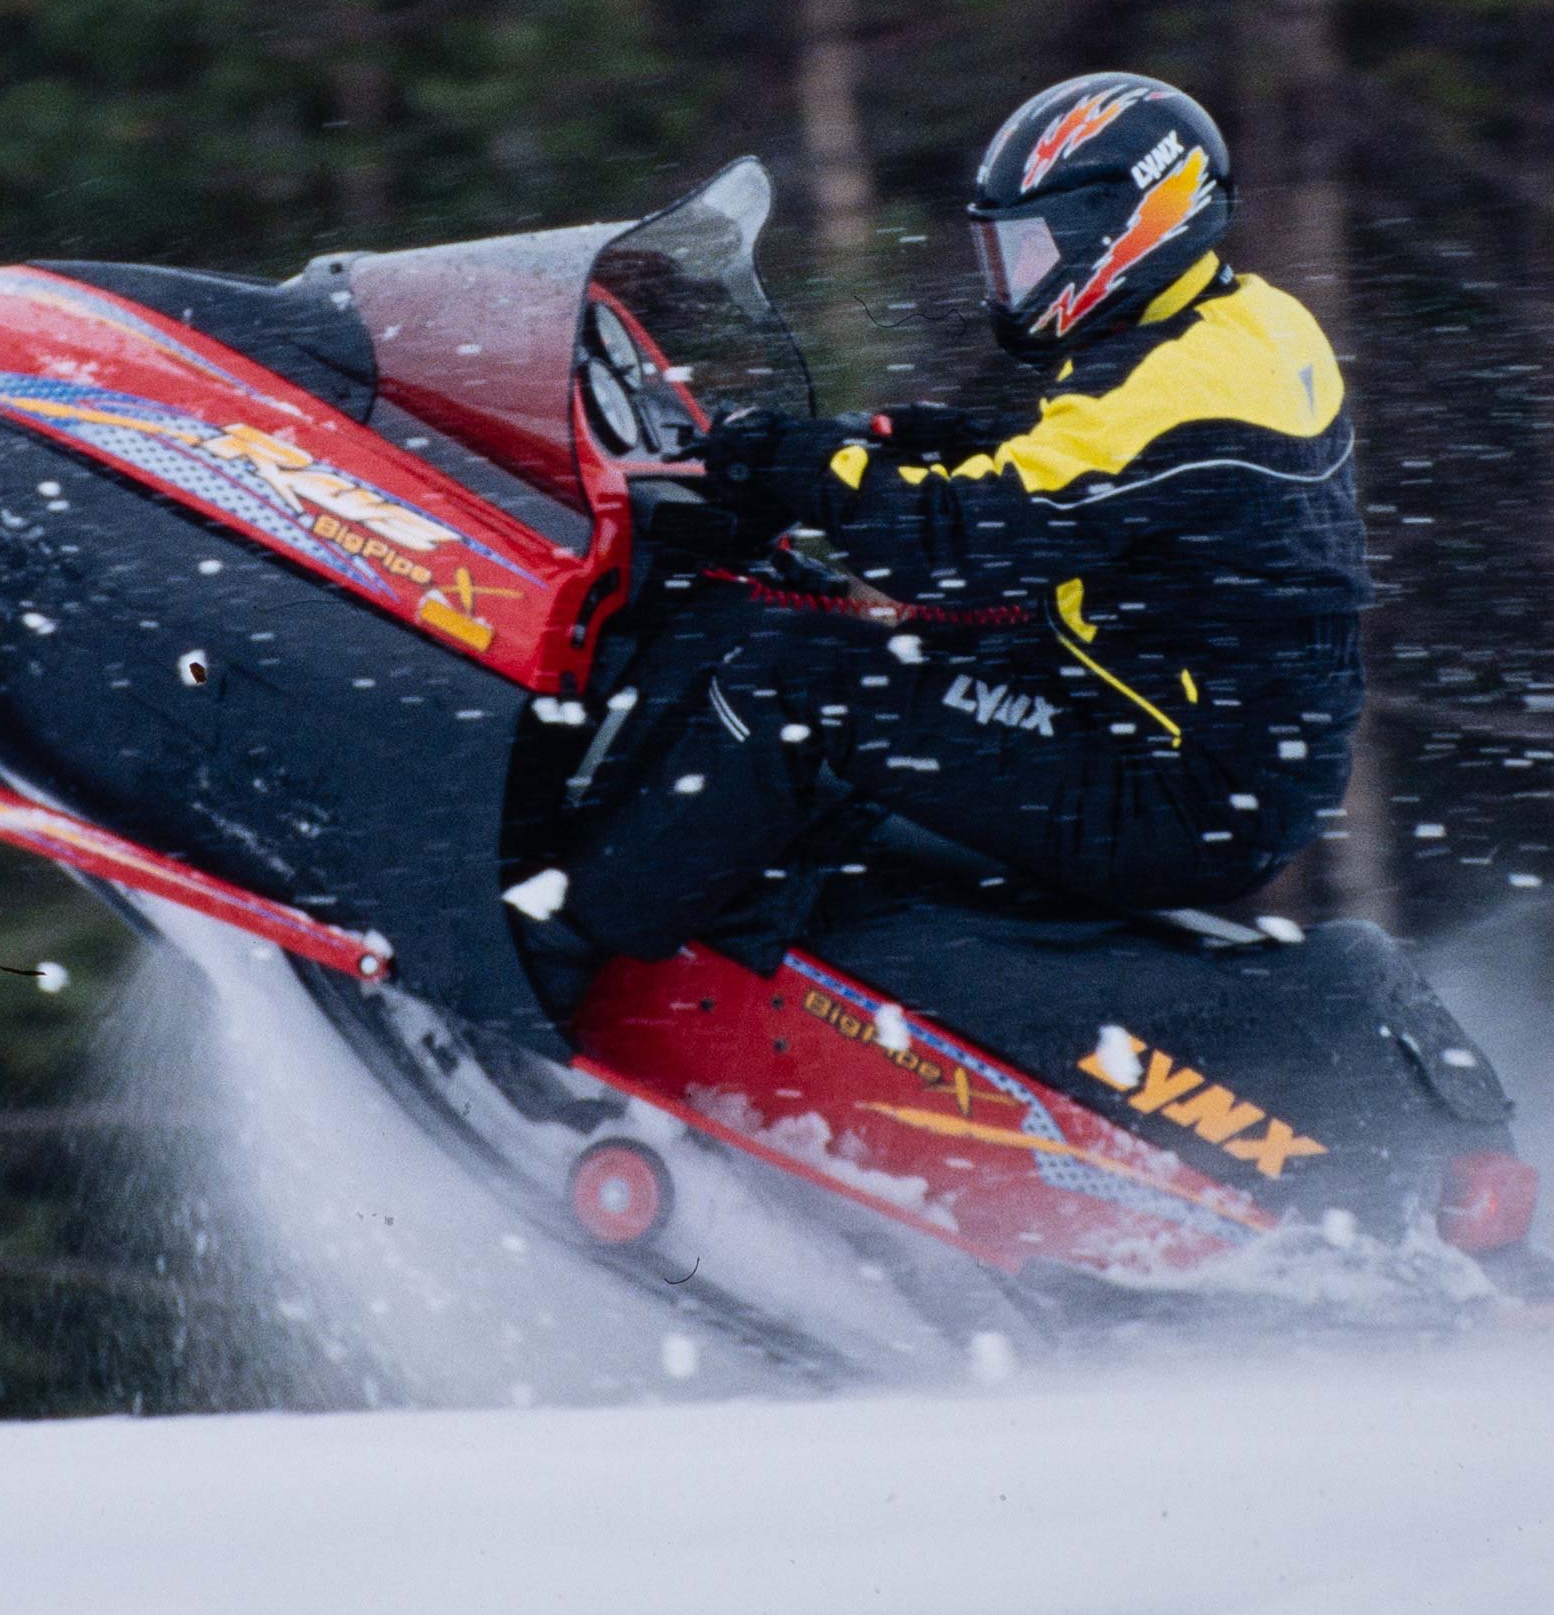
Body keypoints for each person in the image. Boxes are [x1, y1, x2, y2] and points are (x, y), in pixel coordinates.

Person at [525, 72, 1369, 978]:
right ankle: (722, 928)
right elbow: (1096, 483)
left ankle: (557, 966)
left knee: (796, 680)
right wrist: (928, 440)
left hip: (1172, 786)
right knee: (801, 615)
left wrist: (797, 463)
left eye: (1036, 251)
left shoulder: (1166, 392)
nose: (1014, 282)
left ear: (1127, 233)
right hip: (1197, 736)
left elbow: (961, 551)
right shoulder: (1255, 323)